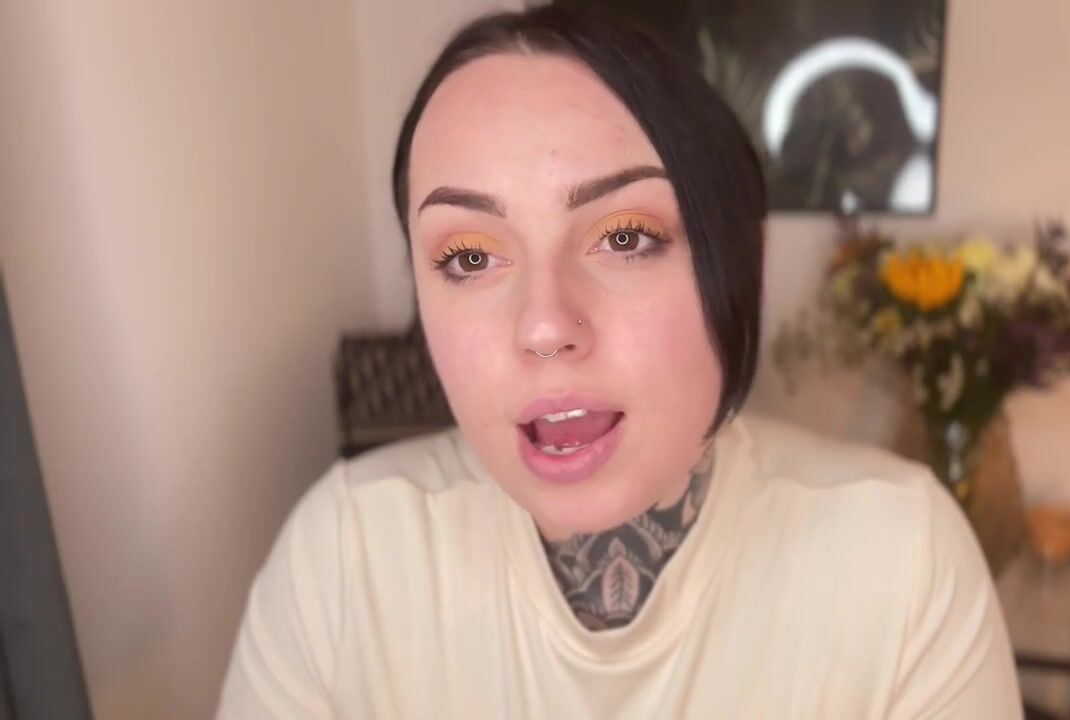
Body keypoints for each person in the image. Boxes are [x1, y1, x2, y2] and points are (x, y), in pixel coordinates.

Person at [218, 5, 1020, 718]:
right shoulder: (344, 558)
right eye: (469, 258)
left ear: (744, 261)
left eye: (626, 237)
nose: (544, 326)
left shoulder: (899, 559)